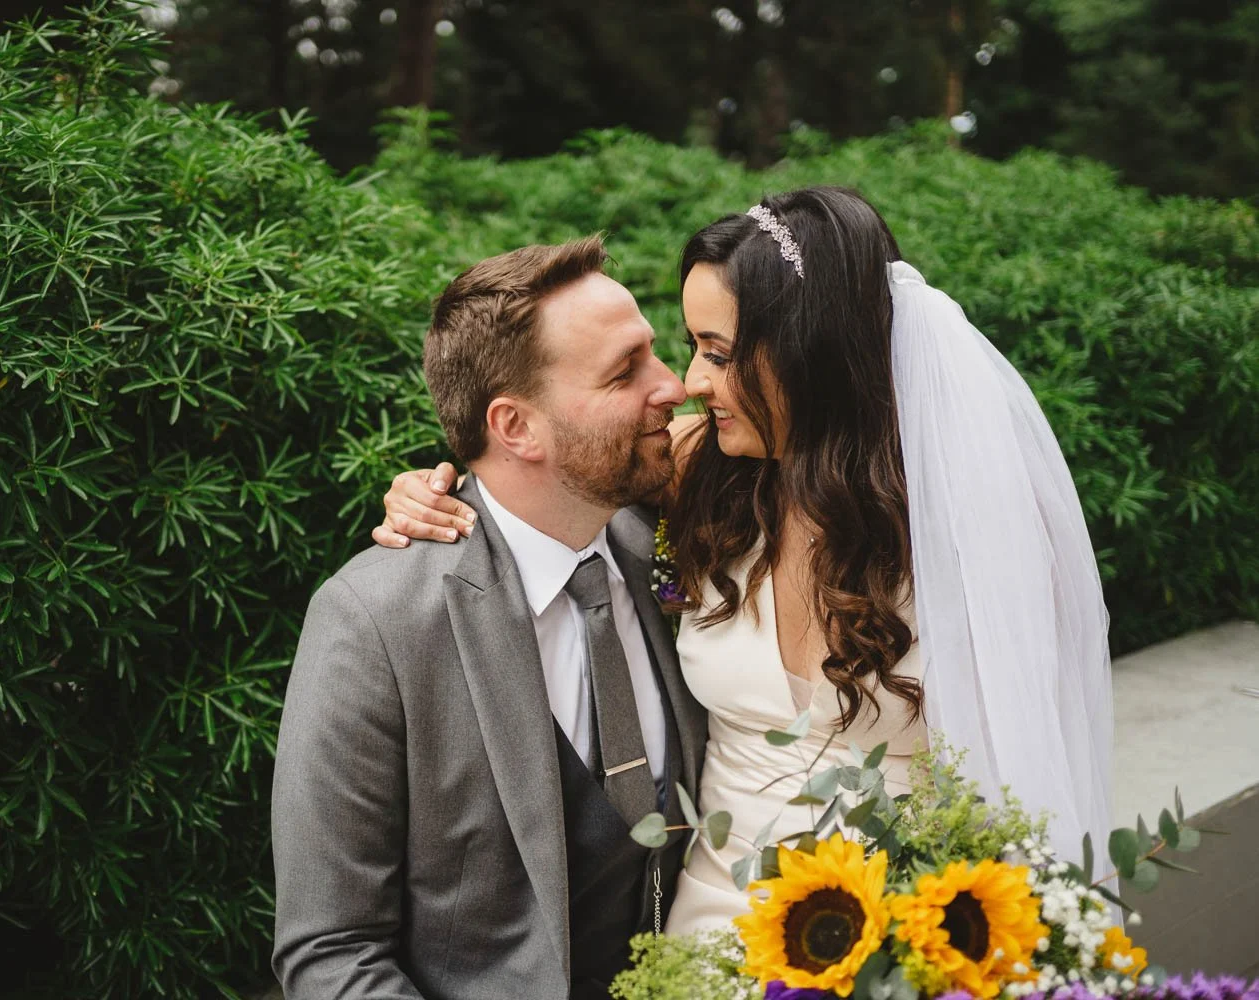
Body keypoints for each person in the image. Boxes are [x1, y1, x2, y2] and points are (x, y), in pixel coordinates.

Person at [375, 186, 1115, 935]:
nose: (690, 383)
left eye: (717, 354)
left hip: (912, 925)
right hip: (712, 919)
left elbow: (1030, 760)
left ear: (808, 354)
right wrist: (431, 487)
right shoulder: (702, 467)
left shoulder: (964, 514)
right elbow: (542, 463)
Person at [271, 235, 707, 998]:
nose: (673, 386)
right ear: (514, 428)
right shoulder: (375, 621)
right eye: (624, 372)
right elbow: (332, 951)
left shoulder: (687, 544)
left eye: (654, 353)